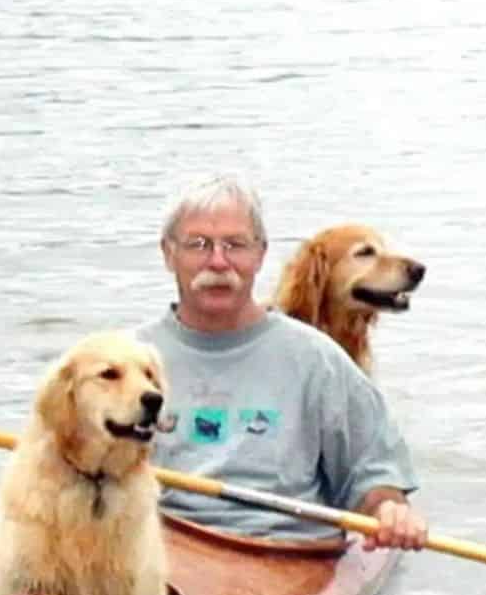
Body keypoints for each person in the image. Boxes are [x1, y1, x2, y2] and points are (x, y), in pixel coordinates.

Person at [133, 174, 427, 552]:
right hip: (160, 546)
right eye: (199, 245)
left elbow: (375, 478)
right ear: (169, 253)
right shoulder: (126, 359)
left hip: (281, 552)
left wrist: (390, 510)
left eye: (236, 245)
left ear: (260, 254)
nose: (218, 262)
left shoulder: (319, 361)